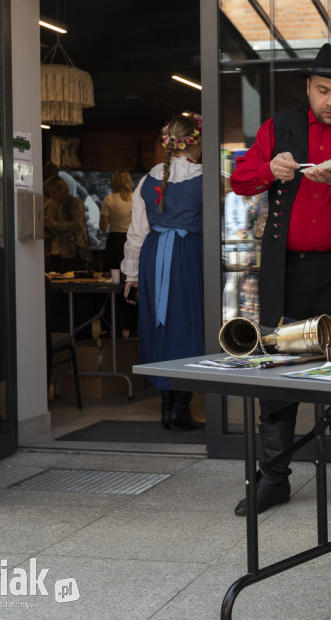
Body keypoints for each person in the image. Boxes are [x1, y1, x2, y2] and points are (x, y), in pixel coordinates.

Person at [229, 43, 331, 518]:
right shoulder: (276, 128)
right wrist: (267, 169)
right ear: (308, 87)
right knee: (276, 372)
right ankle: (274, 479)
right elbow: (240, 180)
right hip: (287, 271)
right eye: (323, 90)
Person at [121, 114, 205, 431]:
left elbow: (136, 232)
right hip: (189, 256)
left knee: (162, 327)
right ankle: (179, 409)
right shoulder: (206, 178)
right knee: (186, 325)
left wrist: (131, 275)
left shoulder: (148, 179)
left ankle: (168, 409)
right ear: (195, 142)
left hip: (154, 256)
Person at [44, 176, 90, 273]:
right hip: (57, 252)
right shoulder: (57, 205)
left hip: (71, 253)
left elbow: (78, 224)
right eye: (50, 193)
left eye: (54, 193)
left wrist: (54, 225)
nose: (52, 196)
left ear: (62, 190)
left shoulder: (74, 203)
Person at [100, 171, 134, 273]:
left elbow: (103, 226)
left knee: (114, 272)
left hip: (115, 240)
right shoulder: (136, 198)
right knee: (131, 272)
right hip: (132, 239)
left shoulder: (109, 199)